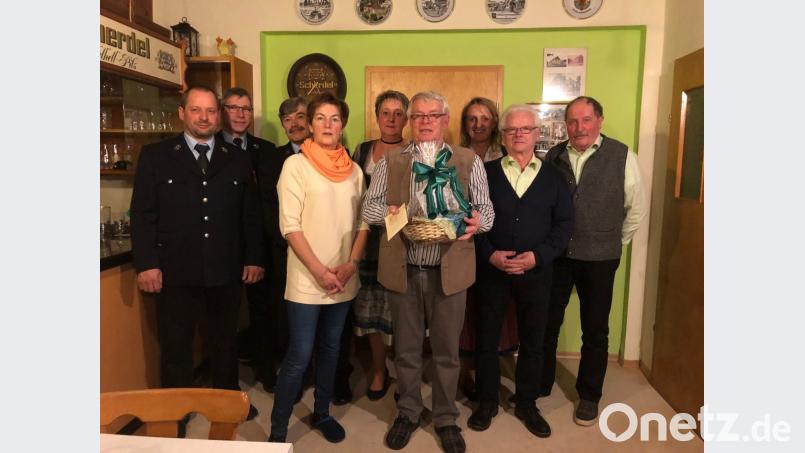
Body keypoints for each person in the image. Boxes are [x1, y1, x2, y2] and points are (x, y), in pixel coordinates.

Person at [363, 91, 495, 453]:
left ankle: (445, 417)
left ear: (445, 119)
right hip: (404, 269)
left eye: (432, 115)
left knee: (446, 352)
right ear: (410, 121)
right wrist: (400, 216)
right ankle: (407, 411)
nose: (424, 121)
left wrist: (475, 223)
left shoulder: (468, 161)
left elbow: (487, 214)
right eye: (417, 115)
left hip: (449, 272)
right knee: (405, 351)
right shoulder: (391, 161)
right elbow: (369, 209)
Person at [130, 86, 264, 420]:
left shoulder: (237, 157)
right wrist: (147, 264)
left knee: (224, 344)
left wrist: (254, 257)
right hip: (175, 271)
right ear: (182, 113)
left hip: (225, 268)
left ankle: (226, 405)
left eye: (210, 111)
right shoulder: (156, 155)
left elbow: (249, 214)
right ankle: (174, 413)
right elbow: (143, 215)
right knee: (176, 348)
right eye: (196, 110)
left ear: (219, 115)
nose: (204, 117)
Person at [467, 104, 573, 438]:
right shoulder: (485, 173)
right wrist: (490, 255)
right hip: (492, 271)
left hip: (537, 273)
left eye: (525, 129)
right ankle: (486, 401)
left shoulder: (555, 178)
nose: (518, 135)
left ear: (536, 134)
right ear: (504, 135)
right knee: (486, 338)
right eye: (511, 130)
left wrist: (537, 257)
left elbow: (564, 226)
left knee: (533, 341)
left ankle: (526, 403)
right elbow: (473, 222)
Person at [269, 93, 369, 444]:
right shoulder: (295, 166)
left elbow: (363, 224)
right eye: (321, 118)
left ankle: (322, 412)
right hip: (307, 280)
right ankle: (278, 431)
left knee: (331, 350)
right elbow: (290, 227)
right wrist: (320, 271)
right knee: (298, 354)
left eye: (335, 119)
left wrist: (350, 265)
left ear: (343, 125)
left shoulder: (354, 171)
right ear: (309, 124)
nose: (328, 125)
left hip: (343, 278)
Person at [541, 96, 646, 426]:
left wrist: (615, 242)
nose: (579, 127)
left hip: (600, 257)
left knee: (596, 330)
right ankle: (540, 383)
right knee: (547, 324)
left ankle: (589, 396)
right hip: (558, 255)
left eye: (586, 119)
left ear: (599, 120)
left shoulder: (622, 155)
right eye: (572, 121)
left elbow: (637, 207)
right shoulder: (554, 156)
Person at [218, 86, 279, 392]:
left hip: (262, 246)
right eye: (233, 107)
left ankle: (267, 371)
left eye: (246, 108)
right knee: (223, 317)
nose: (240, 114)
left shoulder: (267, 150)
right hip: (221, 247)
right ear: (222, 111)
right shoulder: (209, 146)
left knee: (264, 313)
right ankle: (225, 384)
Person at [456, 97, 517, 401]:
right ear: (464, 124)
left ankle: (490, 369)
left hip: (495, 242)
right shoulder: (455, 156)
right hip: (463, 242)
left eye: (484, 118)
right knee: (465, 310)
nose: (478, 124)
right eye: (472, 119)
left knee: (495, 310)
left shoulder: (505, 156)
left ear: (494, 122)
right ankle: (465, 370)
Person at [350, 90, 409, 401]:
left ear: (406, 118)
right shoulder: (361, 151)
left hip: (400, 244)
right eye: (386, 113)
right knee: (371, 312)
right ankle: (378, 369)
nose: (391, 119)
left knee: (400, 312)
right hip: (367, 243)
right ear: (377, 116)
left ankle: (403, 372)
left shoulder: (415, 152)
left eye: (398, 113)